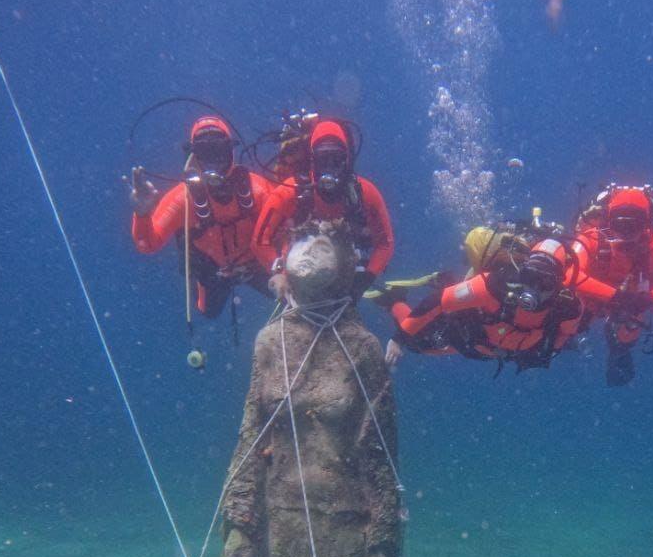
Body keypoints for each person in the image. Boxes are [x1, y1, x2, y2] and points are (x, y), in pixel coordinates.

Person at [130, 116, 274, 319]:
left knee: (288, 295)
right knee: (209, 313)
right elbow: (147, 244)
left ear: (230, 150)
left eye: (218, 151)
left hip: (256, 263)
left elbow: (283, 231)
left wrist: (281, 268)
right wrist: (142, 213)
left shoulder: (258, 190)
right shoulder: (184, 199)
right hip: (213, 272)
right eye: (206, 152)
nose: (214, 161)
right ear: (194, 155)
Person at [386, 237, 584, 372]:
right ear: (521, 271)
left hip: (490, 350)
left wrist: (550, 351)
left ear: (559, 283)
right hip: (469, 337)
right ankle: (394, 299)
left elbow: (565, 334)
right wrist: (398, 339)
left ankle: (447, 281)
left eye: (545, 282)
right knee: (418, 345)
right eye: (529, 277)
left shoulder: (566, 307)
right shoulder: (495, 285)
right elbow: (438, 301)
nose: (534, 288)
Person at [252, 119, 395, 299]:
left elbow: (385, 244)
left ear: (347, 160)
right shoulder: (289, 193)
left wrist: (366, 278)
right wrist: (279, 272)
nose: (329, 167)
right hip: (297, 280)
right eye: (322, 160)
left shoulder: (365, 194)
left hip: (345, 279)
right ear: (312, 160)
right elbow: (259, 241)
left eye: (336, 160)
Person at [570, 184, 653, 385]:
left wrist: (648, 299)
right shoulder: (592, 237)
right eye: (621, 225)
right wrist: (614, 296)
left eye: (634, 225)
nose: (627, 233)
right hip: (592, 297)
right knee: (565, 316)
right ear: (609, 221)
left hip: (629, 301)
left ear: (646, 224)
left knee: (629, 330)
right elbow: (568, 274)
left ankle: (619, 350)